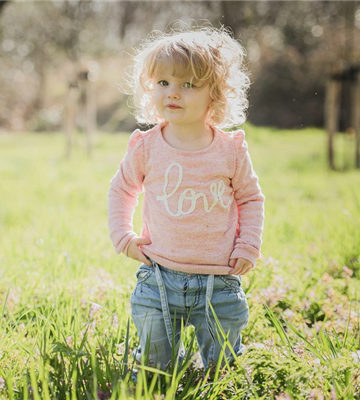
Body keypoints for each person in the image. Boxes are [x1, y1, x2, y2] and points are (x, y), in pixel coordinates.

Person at [107, 27, 264, 374]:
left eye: (187, 84)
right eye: (163, 84)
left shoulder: (230, 150)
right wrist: (123, 237)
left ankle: (212, 371)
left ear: (216, 94)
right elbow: (121, 190)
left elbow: (251, 199)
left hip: (219, 280)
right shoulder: (147, 147)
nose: (173, 93)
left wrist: (247, 245)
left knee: (222, 369)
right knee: (153, 369)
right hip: (159, 276)